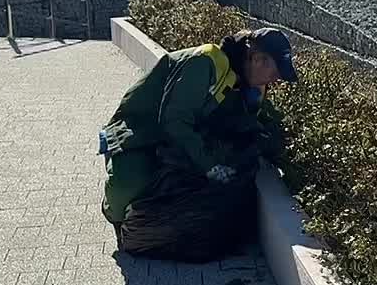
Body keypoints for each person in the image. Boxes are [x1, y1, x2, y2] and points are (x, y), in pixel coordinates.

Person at [99, 28, 297, 262]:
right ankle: (118, 219)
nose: (276, 80)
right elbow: (175, 121)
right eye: (275, 71)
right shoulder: (205, 63)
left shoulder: (251, 84)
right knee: (128, 183)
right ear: (256, 58)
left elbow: (255, 122)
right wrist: (209, 165)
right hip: (143, 131)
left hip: (186, 136)